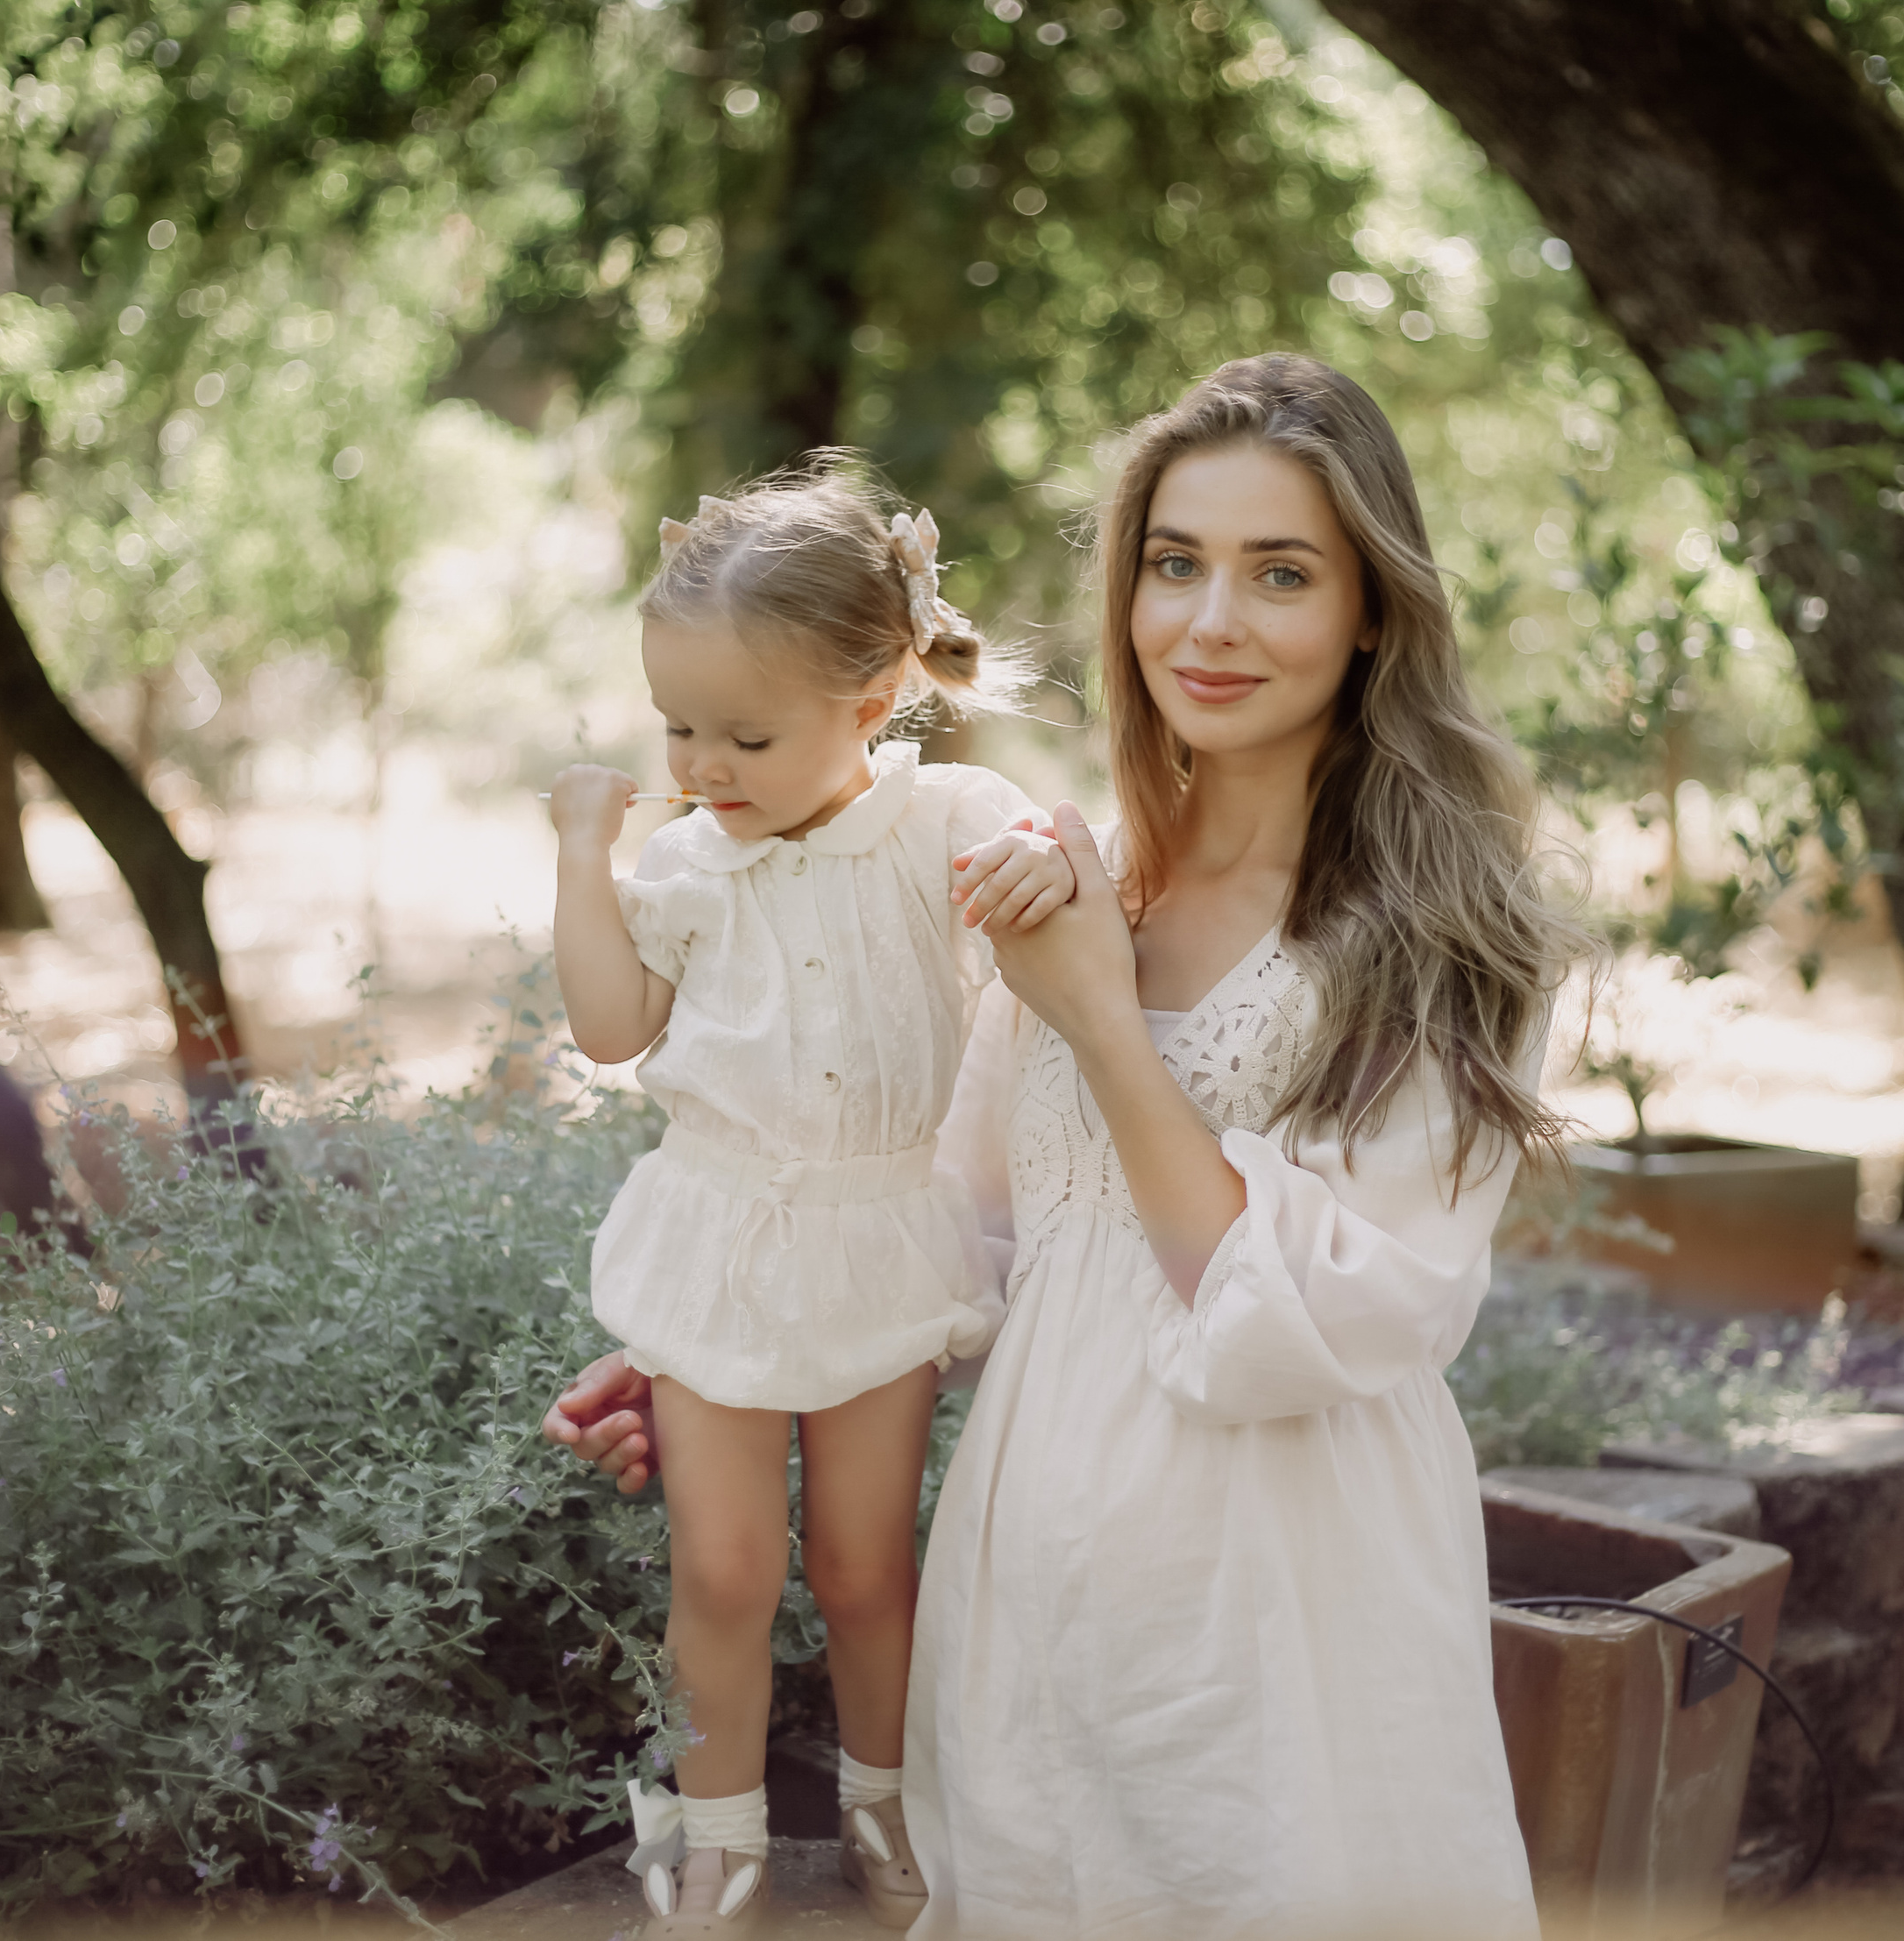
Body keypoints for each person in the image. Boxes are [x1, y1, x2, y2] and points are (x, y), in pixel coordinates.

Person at [552, 355, 1582, 1938]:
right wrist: (746, 1353)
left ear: (1374, 607)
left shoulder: (1443, 936)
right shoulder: (1079, 874)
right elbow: (974, 1231)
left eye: (1280, 573)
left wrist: (1103, 1021)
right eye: (1176, 564)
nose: (1209, 621)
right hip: (1026, 1601)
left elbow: (1319, 1325)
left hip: (1278, 1617)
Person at [545, 464, 1075, 1937]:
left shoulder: (943, 817)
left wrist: (1046, 860)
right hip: (722, 1236)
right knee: (724, 1562)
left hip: (878, 1236)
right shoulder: (686, 860)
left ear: (877, 691)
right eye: (678, 727)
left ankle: (881, 1795)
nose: (705, 762)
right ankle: (714, 1829)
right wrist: (585, 855)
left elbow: (1056, 853)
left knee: (861, 1563)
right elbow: (608, 1024)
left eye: (746, 732)